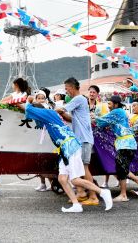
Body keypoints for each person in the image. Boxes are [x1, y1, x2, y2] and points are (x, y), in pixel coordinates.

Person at [25, 96, 112, 213]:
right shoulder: (49, 114)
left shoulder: (46, 113)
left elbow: (28, 109)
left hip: (70, 147)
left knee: (75, 180)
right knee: (62, 178)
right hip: (65, 149)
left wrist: (29, 100)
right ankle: (76, 205)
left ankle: (102, 192)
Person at [56, 77, 98, 206]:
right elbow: (71, 119)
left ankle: (93, 196)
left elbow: (61, 110)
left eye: (66, 88)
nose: (66, 91)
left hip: (84, 139)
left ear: (72, 87)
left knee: (85, 168)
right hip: (80, 139)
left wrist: (44, 111)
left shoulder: (78, 99)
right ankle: (81, 193)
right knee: (79, 168)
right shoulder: (79, 100)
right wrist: (62, 115)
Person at [95, 95, 138, 202]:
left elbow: (101, 121)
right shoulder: (120, 112)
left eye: (109, 104)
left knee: (121, 169)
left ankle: (124, 195)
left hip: (125, 143)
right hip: (127, 143)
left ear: (116, 104)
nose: (108, 106)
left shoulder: (117, 112)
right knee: (122, 168)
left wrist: (92, 117)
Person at [32, 90, 54, 191]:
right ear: (36, 98)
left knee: (47, 162)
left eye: (42, 98)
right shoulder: (34, 107)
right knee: (39, 161)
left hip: (47, 137)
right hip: (37, 137)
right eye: (39, 98)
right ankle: (42, 183)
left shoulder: (47, 107)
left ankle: (52, 184)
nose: (41, 100)